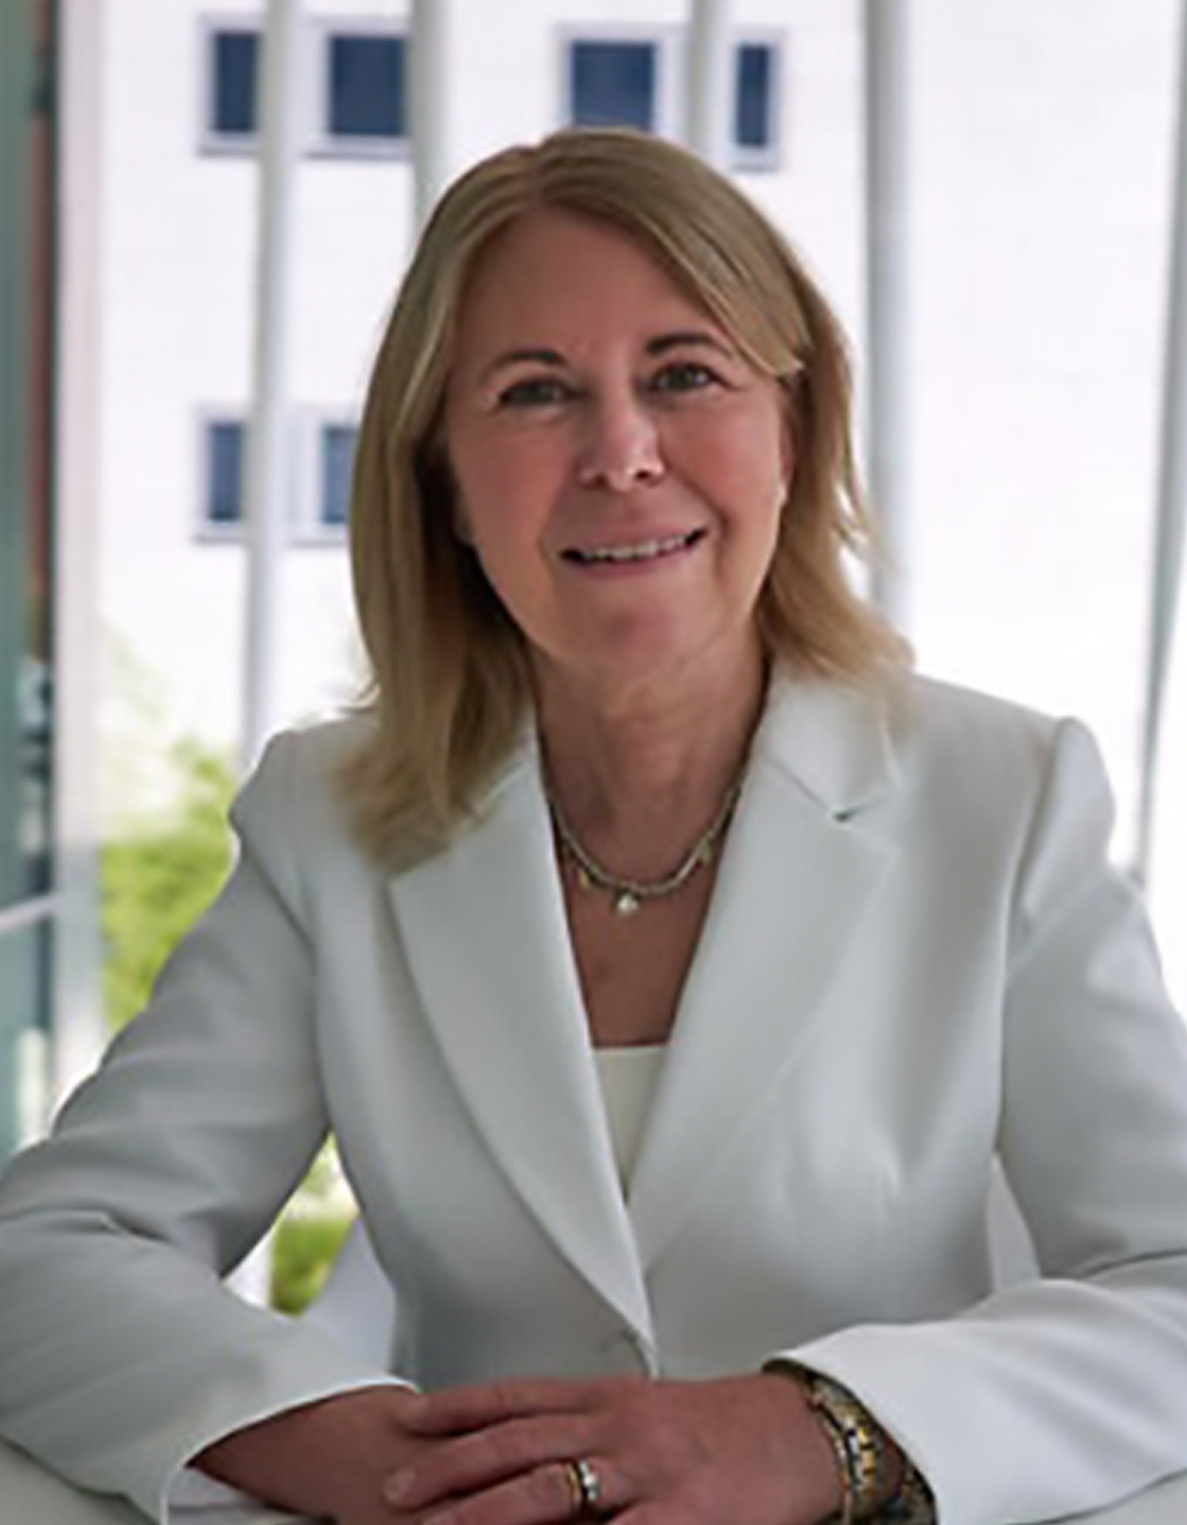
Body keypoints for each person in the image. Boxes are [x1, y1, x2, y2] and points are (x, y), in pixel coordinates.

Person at [2, 126, 1187, 1525]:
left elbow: (1173, 1285)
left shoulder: (1007, 796)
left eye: (684, 375)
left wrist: (819, 1433)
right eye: (534, 392)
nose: (621, 455)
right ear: (444, 481)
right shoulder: (333, 821)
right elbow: (44, 1256)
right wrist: (380, 1457)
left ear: (793, 432)